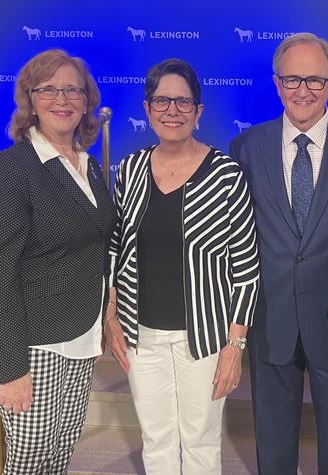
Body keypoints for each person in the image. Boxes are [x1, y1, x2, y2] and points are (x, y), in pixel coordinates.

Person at [229, 33, 328, 474]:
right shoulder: (245, 148)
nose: (303, 90)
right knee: (272, 437)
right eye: (293, 79)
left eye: (314, 80)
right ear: (277, 83)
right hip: (270, 314)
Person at [103, 58, 260, 475]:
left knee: (201, 443)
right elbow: (116, 246)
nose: (172, 110)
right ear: (147, 108)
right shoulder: (132, 169)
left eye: (183, 102)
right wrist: (111, 313)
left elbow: (246, 268)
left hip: (206, 339)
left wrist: (235, 346)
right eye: (161, 101)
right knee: (155, 441)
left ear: (199, 111)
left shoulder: (227, 175)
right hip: (142, 336)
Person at [0, 49, 116, 472]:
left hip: (80, 335)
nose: (63, 98)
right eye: (49, 89)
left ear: (86, 99)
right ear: (30, 100)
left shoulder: (87, 168)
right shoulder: (11, 169)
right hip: (34, 343)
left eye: (73, 89)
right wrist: (9, 368)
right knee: (31, 460)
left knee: (59, 455)